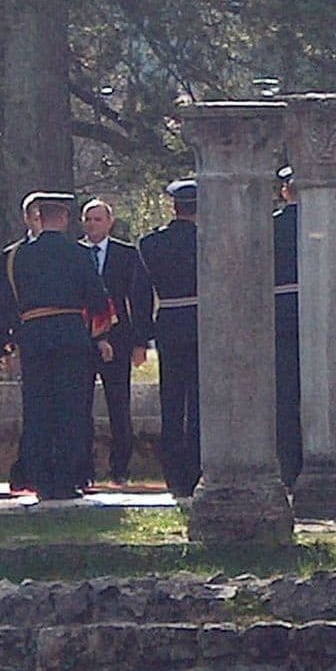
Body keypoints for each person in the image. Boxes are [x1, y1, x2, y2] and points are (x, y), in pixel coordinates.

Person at [9, 193, 115, 501]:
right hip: (70, 335)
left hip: (34, 336)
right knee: (70, 409)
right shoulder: (79, 254)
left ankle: (40, 477)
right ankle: (67, 478)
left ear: (39, 218)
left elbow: (13, 299)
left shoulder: (20, 255)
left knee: (38, 407)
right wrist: (100, 332)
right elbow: (97, 298)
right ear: (66, 219)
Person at [79, 198, 151, 485]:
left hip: (120, 339)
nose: (93, 224)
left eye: (98, 219)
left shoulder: (127, 254)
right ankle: (83, 468)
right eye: (88, 219)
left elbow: (138, 298)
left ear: (110, 222)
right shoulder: (76, 252)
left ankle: (120, 467)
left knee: (119, 405)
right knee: (81, 405)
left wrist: (140, 342)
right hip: (83, 340)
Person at [138, 179, 202, 496]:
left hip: (170, 323)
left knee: (172, 400)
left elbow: (141, 294)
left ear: (173, 207)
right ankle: (197, 465)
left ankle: (174, 472)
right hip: (204, 324)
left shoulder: (151, 244)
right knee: (201, 401)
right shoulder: (210, 239)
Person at [0, 194, 45, 490]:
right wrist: (6, 345)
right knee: (33, 405)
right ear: (26, 219)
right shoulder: (11, 255)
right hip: (27, 338)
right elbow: (3, 304)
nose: (37, 221)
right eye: (33, 216)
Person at [274, 166, 303, 487]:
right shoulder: (324, 223)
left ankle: (289, 466)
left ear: (285, 192)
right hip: (321, 314)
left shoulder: (271, 225)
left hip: (281, 315)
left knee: (286, 397)